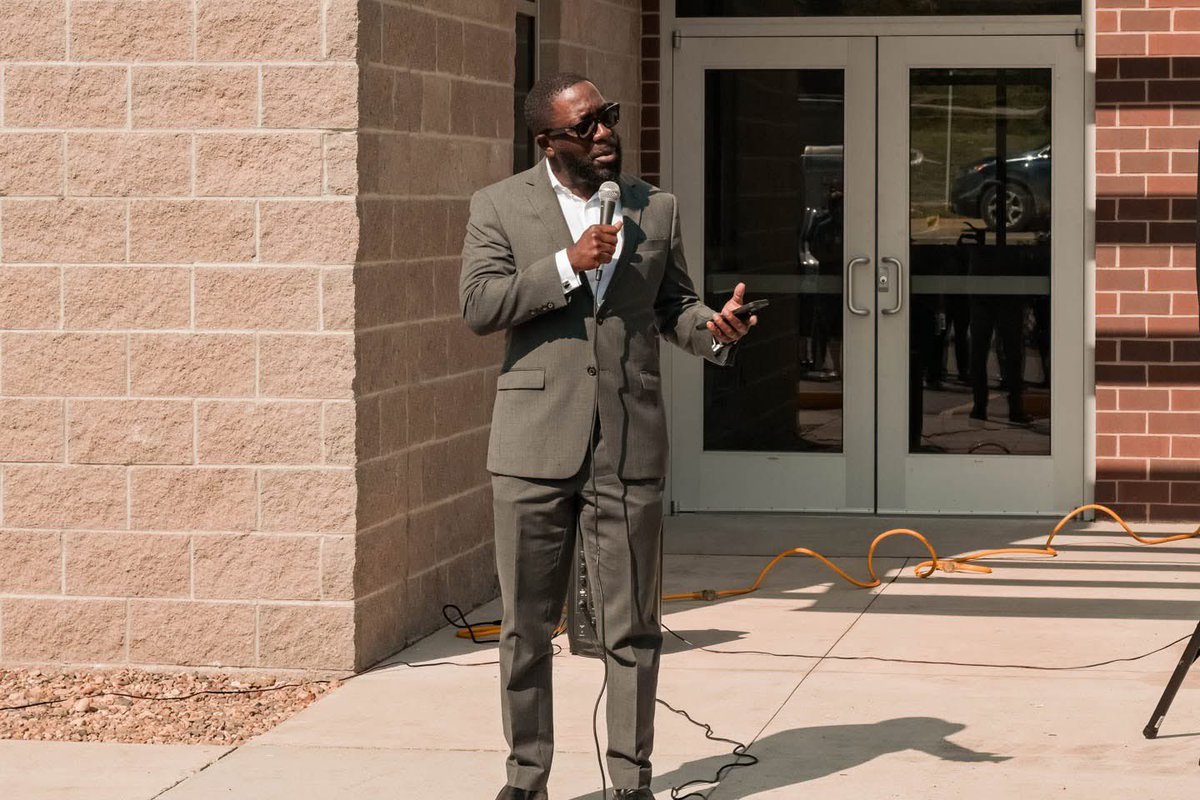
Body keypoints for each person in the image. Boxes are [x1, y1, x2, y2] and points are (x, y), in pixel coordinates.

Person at [460, 73, 756, 800]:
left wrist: (715, 331)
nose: (605, 134)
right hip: (533, 444)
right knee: (526, 629)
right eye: (586, 125)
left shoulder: (655, 206)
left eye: (608, 117)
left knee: (631, 627)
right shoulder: (499, 205)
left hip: (627, 441)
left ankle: (631, 782)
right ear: (548, 141)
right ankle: (526, 780)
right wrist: (568, 263)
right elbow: (480, 305)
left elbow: (675, 306)